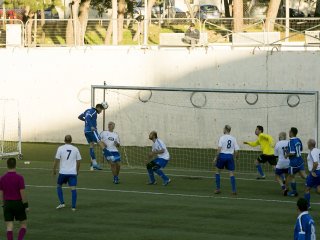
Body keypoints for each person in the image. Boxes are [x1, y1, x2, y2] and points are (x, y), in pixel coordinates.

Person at [0, 158, 28, 240]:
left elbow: (1, 193)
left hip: (7, 204)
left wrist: (3, 204)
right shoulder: (20, 178)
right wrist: (26, 205)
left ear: (7, 165)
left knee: (9, 226)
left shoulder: (2, 178)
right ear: (15, 165)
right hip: (18, 203)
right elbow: (22, 192)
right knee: (23, 224)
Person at [53, 135, 81, 211]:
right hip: (72, 173)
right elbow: (78, 161)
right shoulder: (75, 149)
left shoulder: (60, 148)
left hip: (63, 172)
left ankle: (62, 203)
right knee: (73, 188)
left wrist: (54, 169)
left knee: (59, 186)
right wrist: (77, 170)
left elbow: (56, 160)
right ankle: (73, 207)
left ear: (64, 140)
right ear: (71, 140)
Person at [78, 102, 109, 170]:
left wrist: (86, 121)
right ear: (98, 108)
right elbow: (88, 118)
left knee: (91, 146)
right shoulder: (94, 111)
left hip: (86, 131)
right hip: (92, 131)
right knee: (101, 143)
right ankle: (110, 156)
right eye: (101, 110)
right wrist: (91, 126)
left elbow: (80, 117)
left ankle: (94, 163)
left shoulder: (87, 110)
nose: (101, 111)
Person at [214, 125, 239, 195]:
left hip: (222, 156)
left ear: (225, 129)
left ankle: (218, 189)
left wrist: (216, 157)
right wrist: (236, 158)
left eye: (223, 129)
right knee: (231, 173)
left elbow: (219, 149)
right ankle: (234, 190)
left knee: (217, 171)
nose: (223, 130)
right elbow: (236, 150)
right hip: (230, 157)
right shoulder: (233, 138)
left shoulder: (222, 138)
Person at [285, 127, 307, 197]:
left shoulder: (291, 141)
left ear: (291, 133)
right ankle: (316, 182)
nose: (288, 133)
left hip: (293, 162)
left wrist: (286, 155)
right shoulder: (298, 139)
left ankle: (294, 192)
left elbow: (292, 152)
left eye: (289, 131)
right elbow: (301, 149)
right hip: (300, 160)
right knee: (304, 175)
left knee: (292, 177)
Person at [304, 139, 320, 208]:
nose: (307, 144)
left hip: (315, 172)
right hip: (319, 171)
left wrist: (312, 171)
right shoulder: (318, 150)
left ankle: (307, 205)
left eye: (307, 143)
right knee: (318, 188)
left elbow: (315, 163)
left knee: (307, 189)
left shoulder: (312, 152)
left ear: (310, 144)